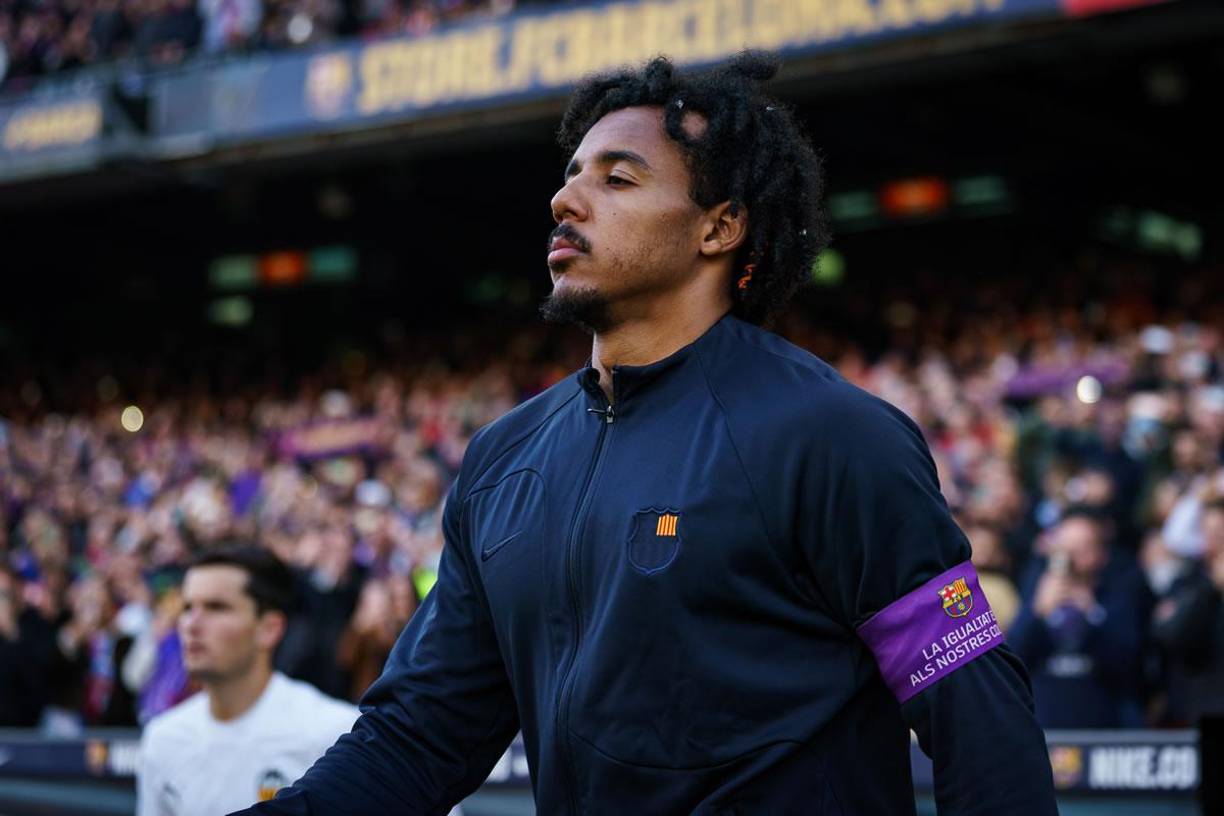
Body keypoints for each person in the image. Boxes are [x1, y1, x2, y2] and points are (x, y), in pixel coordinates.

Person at [238, 52, 1057, 815]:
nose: (566, 200)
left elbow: (974, 711)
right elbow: (415, 738)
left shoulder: (832, 435)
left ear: (719, 227)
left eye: (619, 178)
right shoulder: (500, 460)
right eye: (570, 176)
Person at [137, 546, 360, 816]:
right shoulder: (163, 739)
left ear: (269, 629)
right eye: (186, 607)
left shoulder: (333, 732)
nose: (191, 624)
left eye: (216, 607)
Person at [1009, 510, 1152, 727]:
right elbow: (1013, 659)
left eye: (1082, 548)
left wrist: (1092, 614)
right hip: (1044, 726)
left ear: (1102, 554)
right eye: (1065, 547)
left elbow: (1129, 663)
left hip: (1105, 728)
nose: (1071, 556)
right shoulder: (1036, 588)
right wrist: (1037, 612)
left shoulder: (1119, 592)